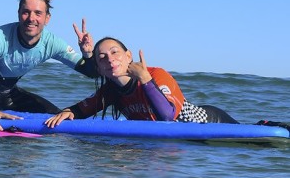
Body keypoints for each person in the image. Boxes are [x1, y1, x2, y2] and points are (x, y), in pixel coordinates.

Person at [45, 36, 240, 128]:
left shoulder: (156, 75)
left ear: (128, 56)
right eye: (102, 57)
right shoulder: (111, 91)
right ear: (98, 68)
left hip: (211, 122)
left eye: (115, 53)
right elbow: (80, 110)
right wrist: (68, 113)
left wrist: (145, 79)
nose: (110, 59)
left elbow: (168, 117)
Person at [0, 0, 98, 114]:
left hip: (9, 95)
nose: (31, 18)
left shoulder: (52, 43)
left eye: (38, 13)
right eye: (26, 12)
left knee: (57, 116)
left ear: (47, 18)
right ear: (18, 13)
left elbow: (91, 73)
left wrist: (88, 54)